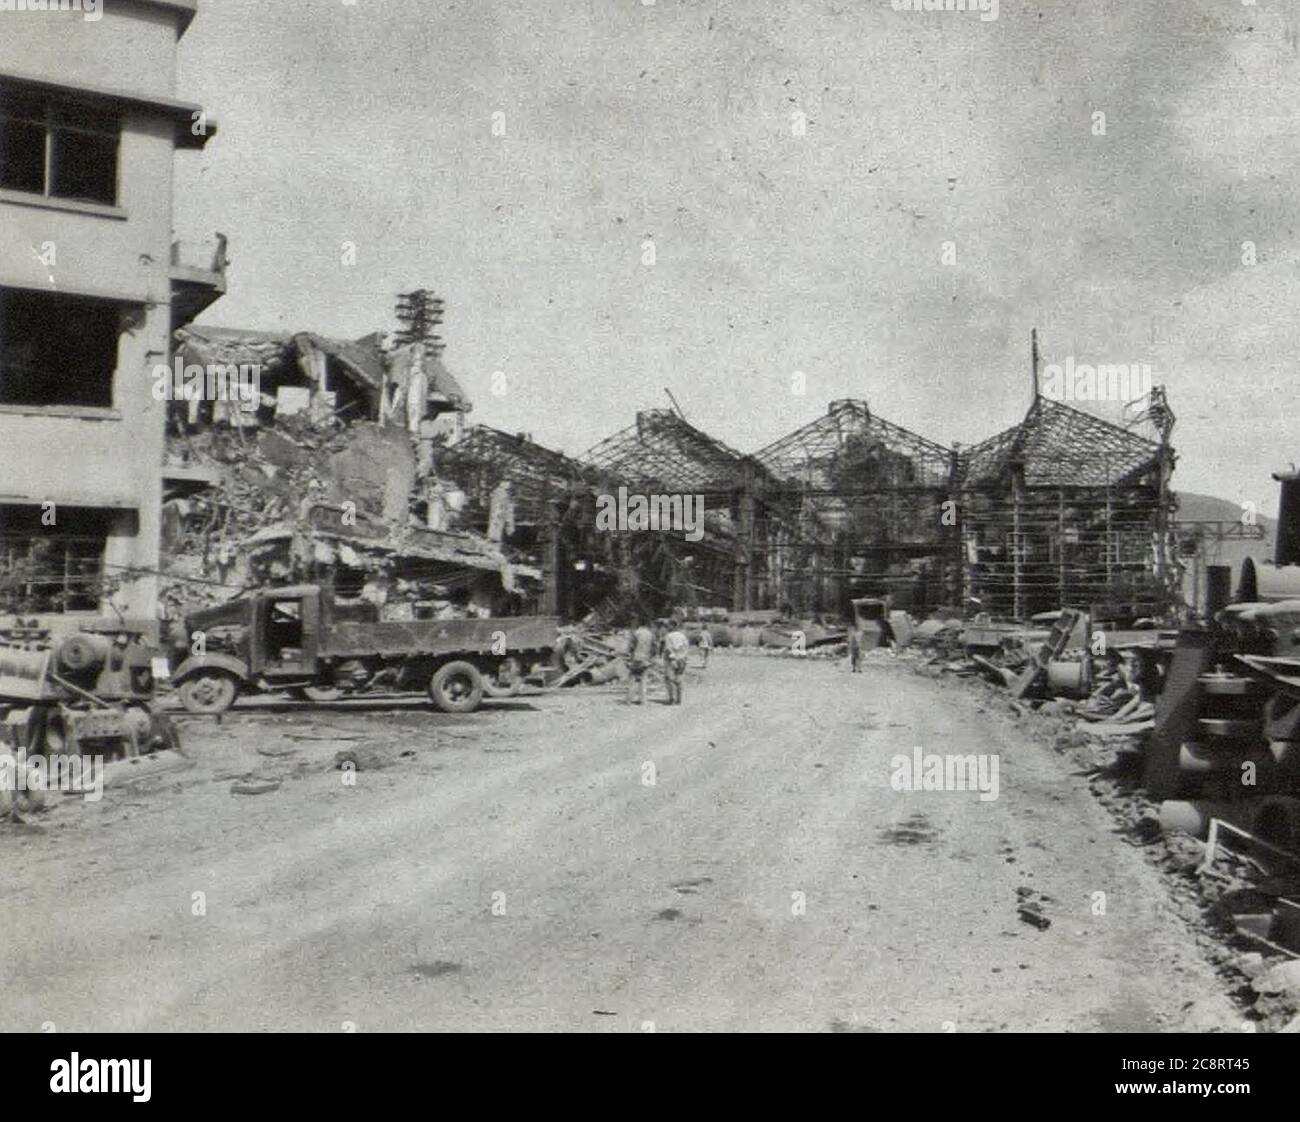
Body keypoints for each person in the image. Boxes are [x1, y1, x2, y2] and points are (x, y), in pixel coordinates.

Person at [627, 619, 656, 705]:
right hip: (645, 659)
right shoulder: (650, 634)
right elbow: (654, 648)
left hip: (636, 658)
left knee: (633, 679)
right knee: (643, 680)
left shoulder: (636, 633)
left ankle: (629, 700)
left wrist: (630, 656)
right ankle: (643, 700)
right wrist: (651, 657)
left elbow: (631, 647)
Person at [662, 620, 690, 705]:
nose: (666, 628)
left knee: (670, 679)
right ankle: (679, 699)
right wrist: (683, 656)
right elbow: (686, 647)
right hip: (682, 659)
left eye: (668, 626)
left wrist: (672, 657)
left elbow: (668, 648)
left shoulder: (668, 636)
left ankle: (672, 698)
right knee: (679, 679)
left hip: (671, 660)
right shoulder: (683, 636)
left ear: (672, 626)